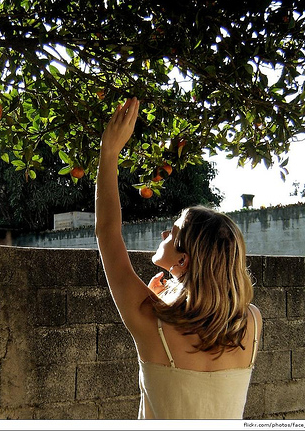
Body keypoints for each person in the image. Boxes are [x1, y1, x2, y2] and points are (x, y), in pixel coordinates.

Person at [95, 97, 262, 420]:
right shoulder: (251, 323)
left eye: (172, 233)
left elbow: (107, 233)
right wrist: (170, 293)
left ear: (184, 262)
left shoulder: (150, 320)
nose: (163, 235)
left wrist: (109, 152)